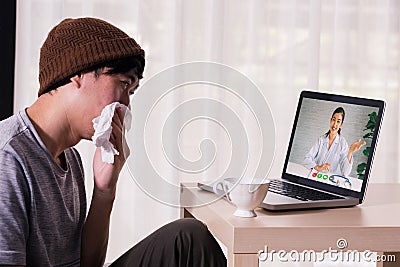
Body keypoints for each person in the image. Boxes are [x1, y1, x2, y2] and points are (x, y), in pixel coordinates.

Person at [0, 17, 226, 267]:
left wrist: (105, 190)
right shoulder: (7, 157)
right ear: (78, 74)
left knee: (187, 239)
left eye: (131, 92)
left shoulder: (69, 157)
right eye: (124, 84)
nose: (126, 104)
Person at [303, 107, 366, 177]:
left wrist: (350, 152)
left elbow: (345, 173)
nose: (335, 124)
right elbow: (307, 159)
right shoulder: (321, 139)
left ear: (341, 124)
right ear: (330, 120)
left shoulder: (342, 143)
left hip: (328, 179)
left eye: (338, 121)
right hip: (314, 175)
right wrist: (318, 167)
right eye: (334, 120)